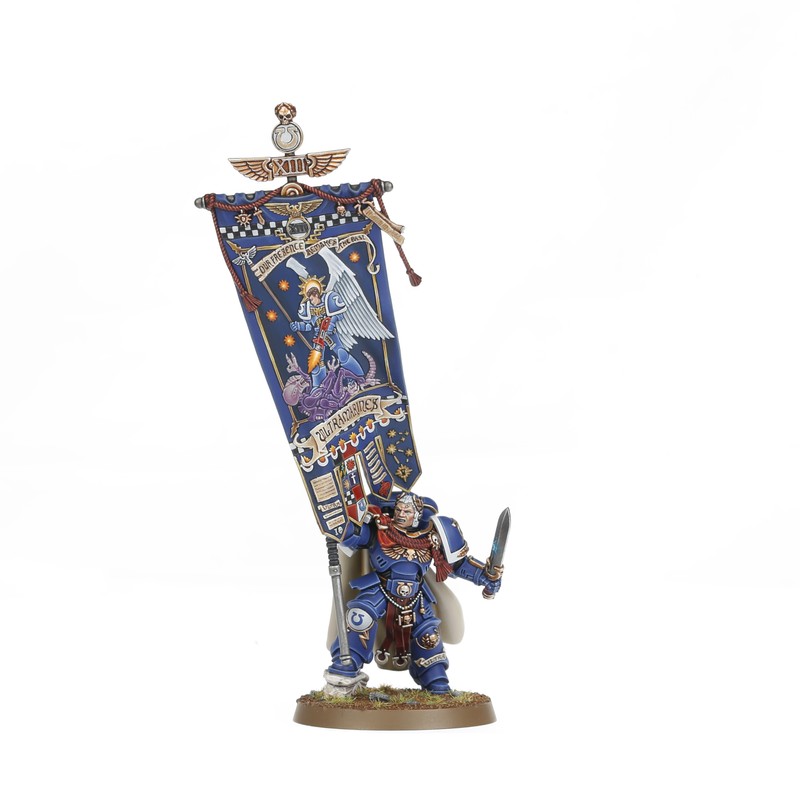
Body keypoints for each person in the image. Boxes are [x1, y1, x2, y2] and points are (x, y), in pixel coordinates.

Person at [324, 492, 502, 696]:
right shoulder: (379, 529)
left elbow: (458, 564)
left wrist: (484, 576)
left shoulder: (432, 538)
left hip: (417, 597)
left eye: (407, 511)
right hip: (380, 589)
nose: (401, 514)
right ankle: (344, 670)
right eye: (399, 509)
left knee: (429, 635)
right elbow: (351, 533)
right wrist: (337, 520)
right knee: (360, 617)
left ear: (417, 515)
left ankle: (437, 684)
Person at [290, 278, 364, 387]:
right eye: (309, 299)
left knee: (342, 354)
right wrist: (298, 326)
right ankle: (318, 388)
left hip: (331, 335)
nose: (311, 301)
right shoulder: (308, 307)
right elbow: (308, 325)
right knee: (316, 362)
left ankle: (359, 376)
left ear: (316, 294)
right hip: (318, 337)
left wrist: (331, 323)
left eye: (312, 299)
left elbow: (339, 315)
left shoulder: (329, 299)